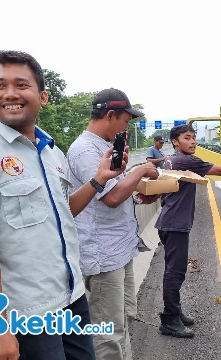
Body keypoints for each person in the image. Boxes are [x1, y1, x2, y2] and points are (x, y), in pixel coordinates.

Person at [0, 50, 129, 360]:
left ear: (42, 96)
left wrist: (98, 179)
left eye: (22, 85)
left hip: (71, 298)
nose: (11, 94)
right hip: (27, 314)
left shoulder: (51, 152)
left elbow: (61, 213)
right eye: (0, 85)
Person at [67, 88, 159, 360]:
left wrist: (134, 184)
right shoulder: (85, 150)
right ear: (110, 115)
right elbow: (112, 198)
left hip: (120, 249)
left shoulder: (104, 148)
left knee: (123, 320)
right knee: (107, 332)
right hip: (103, 255)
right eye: (125, 120)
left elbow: (118, 188)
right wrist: (141, 170)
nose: (126, 127)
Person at [154, 125, 221, 338]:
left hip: (170, 221)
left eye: (194, 138)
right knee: (175, 273)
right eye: (187, 138)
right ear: (176, 142)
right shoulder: (185, 160)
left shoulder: (171, 158)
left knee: (174, 271)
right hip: (175, 224)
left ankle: (175, 312)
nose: (193, 142)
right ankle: (169, 320)